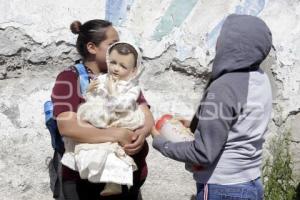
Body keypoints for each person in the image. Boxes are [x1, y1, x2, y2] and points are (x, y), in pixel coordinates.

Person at [151, 14, 272, 200]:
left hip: (222, 187)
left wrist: (161, 143)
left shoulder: (224, 86)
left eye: (221, 38)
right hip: (251, 182)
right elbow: (239, 121)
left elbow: (202, 153)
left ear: (231, 44)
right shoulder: (260, 78)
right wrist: (197, 122)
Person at [51, 19, 154, 200]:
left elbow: (146, 116)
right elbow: (68, 127)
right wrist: (117, 134)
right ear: (92, 48)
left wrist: (141, 134)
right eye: (113, 44)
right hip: (85, 185)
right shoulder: (69, 78)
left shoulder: (123, 79)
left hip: (127, 178)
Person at [62, 42, 146, 196]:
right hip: (101, 116)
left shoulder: (132, 87)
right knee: (95, 148)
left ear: (133, 70)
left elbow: (122, 105)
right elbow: (91, 98)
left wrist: (112, 92)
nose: (116, 68)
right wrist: (89, 91)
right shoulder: (102, 78)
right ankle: (92, 172)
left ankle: (114, 183)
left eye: (122, 66)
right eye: (113, 62)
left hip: (120, 117)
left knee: (115, 152)